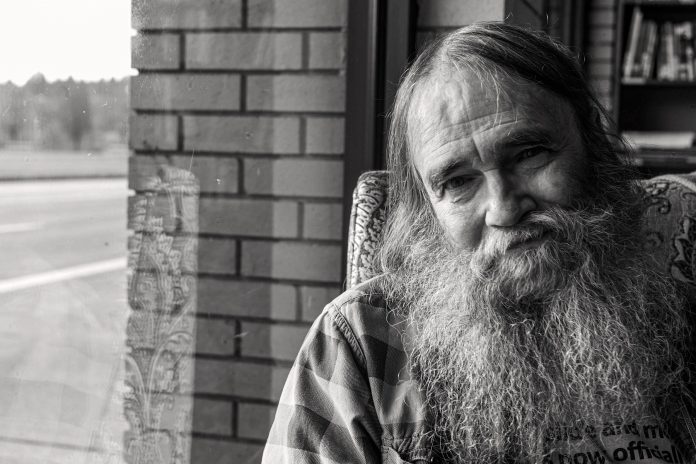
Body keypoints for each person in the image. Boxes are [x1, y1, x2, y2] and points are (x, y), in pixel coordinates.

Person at [262, 22, 696, 464]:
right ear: (425, 210)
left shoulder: (679, 294)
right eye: (458, 182)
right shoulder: (357, 345)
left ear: (592, 147)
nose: (504, 210)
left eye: (529, 154)